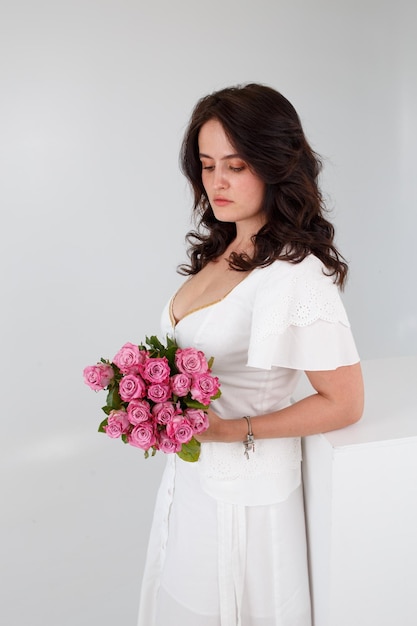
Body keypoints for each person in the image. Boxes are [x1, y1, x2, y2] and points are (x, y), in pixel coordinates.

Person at [137, 83, 364, 626]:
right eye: (207, 164)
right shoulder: (223, 250)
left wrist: (230, 430)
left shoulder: (294, 274)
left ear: (274, 165)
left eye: (236, 166)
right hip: (191, 482)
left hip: (244, 499)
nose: (217, 182)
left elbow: (345, 402)